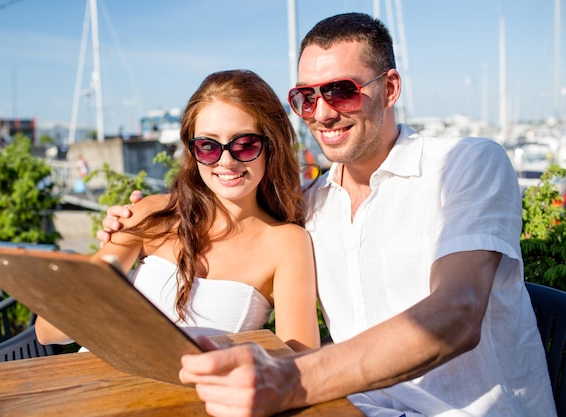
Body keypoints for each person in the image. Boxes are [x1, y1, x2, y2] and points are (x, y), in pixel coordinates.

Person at [100, 14, 556, 417]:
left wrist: (291, 381)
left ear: (390, 88)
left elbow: (455, 314)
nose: (322, 112)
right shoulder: (310, 206)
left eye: (341, 91)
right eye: (306, 97)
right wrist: (137, 221)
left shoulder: (465, 165)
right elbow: (233, 221)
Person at [36, 69, 320, 353]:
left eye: (244, 145)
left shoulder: (286, 243)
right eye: (208, 146)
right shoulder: (152, 213)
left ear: (271, 146)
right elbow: (48, 331)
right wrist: (106, 286)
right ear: (191, 150)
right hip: (96, 380)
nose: (226, 161)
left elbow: (299, 359)